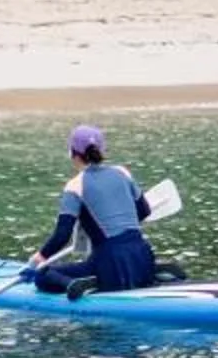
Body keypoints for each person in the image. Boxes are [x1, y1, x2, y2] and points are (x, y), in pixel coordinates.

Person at [23, 125, 182, 299]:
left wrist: (39, 257)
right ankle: (155, 272)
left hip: (110, 261)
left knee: (42, 276)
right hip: (142, 254)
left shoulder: (75, 186)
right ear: (102, 150)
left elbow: (62, 235)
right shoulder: (122, 172)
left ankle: (74, 284)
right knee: (104, 260)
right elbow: (144, 211)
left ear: (72, 153)